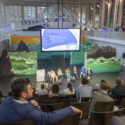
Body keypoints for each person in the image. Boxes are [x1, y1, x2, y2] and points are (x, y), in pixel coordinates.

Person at [0, 78, 82, 125]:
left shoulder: (6, 101)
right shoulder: (30, 111)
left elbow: (20, 106)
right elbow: (49, 118)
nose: (33, 90)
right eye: (30, 89)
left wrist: (30, 102)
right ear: (23, 95)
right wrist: (70, 108)